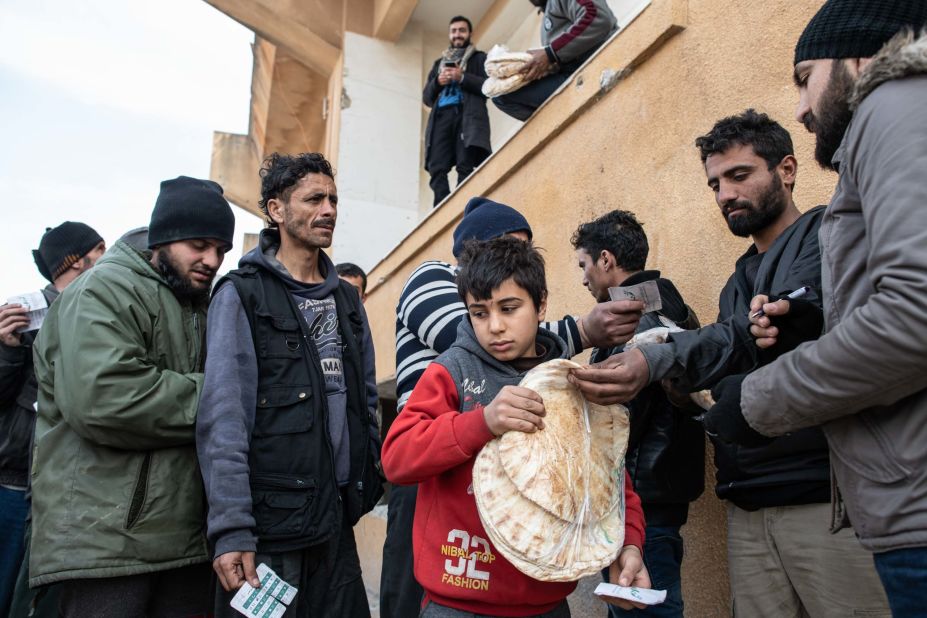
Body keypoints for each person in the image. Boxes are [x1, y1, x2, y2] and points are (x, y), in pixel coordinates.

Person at [571, 110, 889, 616]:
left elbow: (768, 333)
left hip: (825, 499)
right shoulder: (736, 282)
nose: (724, 195)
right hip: (745, 502)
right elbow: (725, 368)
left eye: (739, 176)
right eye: (715, 183)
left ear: (786, 169)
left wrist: (658, 361)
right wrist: (683, 384)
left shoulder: (828, 236)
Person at [704, 2, 927, 615]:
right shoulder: (736, 278)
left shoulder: (895, 105)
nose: (802, 107)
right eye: (714, 185)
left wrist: (751, 399)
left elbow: (912, 317)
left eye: (806, 77)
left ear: (861, 58)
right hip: (778, 498)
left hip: (845, 503)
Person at [381, 196, 644, 618]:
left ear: (540, 305)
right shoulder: (451, 369)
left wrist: (628, 542)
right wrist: (482, 422)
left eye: (509, 309)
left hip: (544, 602)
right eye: (479, 313)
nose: (496, 326)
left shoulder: (566, 383)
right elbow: (396, 457)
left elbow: (606, 478)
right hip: (458, 598)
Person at [29, 177, 234, 617]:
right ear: (163, 237)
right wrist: (226, 397)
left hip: (185, 544)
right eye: (199, 245)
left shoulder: (198, 301)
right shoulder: (101, 291)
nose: (212, 260)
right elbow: (106, 399)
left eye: (221, 250)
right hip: (105, 547)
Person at [197, 152, 382, 618]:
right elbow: (224, 418)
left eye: (334, 199)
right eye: (314, 199)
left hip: (336, 521)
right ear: (277, 210)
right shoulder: (242, 293)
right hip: (270, 531)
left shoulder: (347, 299)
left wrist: (368, 473)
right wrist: (232, 529)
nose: (329, 210)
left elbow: (365, 401)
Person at [571, 210, 703, 618]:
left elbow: (616, 425)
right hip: (656, 495)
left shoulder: (635, 321)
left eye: (584, 265)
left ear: (606, 260)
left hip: (640, 503)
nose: (583, 278)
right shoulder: (671, 310)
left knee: (645, 608)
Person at [0, 222, 104, 616]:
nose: (105, 257)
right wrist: (8, 350)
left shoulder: (98, 309)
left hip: (63, 488)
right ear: (76, 260)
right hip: (12, 481)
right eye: (98, 249)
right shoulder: (20, 314)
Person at [493, 0, 618, 121]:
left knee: (502, 98)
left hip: (599, 60)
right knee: (501, 96)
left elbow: (598, 17)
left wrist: (550, 54)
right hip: (575, 76)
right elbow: (559, 56)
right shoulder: (546, 17)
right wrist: (543, 68)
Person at [423, 15, 491, 206]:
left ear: (470, 33)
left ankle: (463, 208)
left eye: (462, 30)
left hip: (467, 115)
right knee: (437, 167)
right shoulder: (439, 64)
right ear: (449, 34)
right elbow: (427, 98)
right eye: (454, 31)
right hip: (441, 117)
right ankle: (442, 209)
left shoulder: (479, 59)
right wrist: (438, 82)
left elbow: (489, 87)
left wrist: (462, 77)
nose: (457, 34)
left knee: (465, 164)